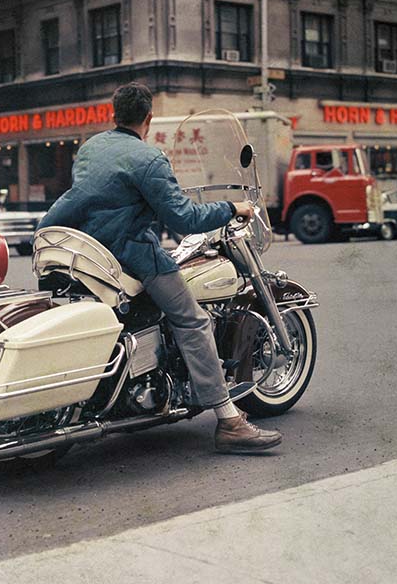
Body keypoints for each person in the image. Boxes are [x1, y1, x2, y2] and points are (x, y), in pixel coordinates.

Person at [38, 82, 282, 454]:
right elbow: (182, 218)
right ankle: (229, 420)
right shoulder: (149, 159)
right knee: (193, 320)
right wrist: (232, 208)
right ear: (148, 119)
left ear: (113, 114)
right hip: (129, 254)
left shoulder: (91, 147)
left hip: (86, 252)